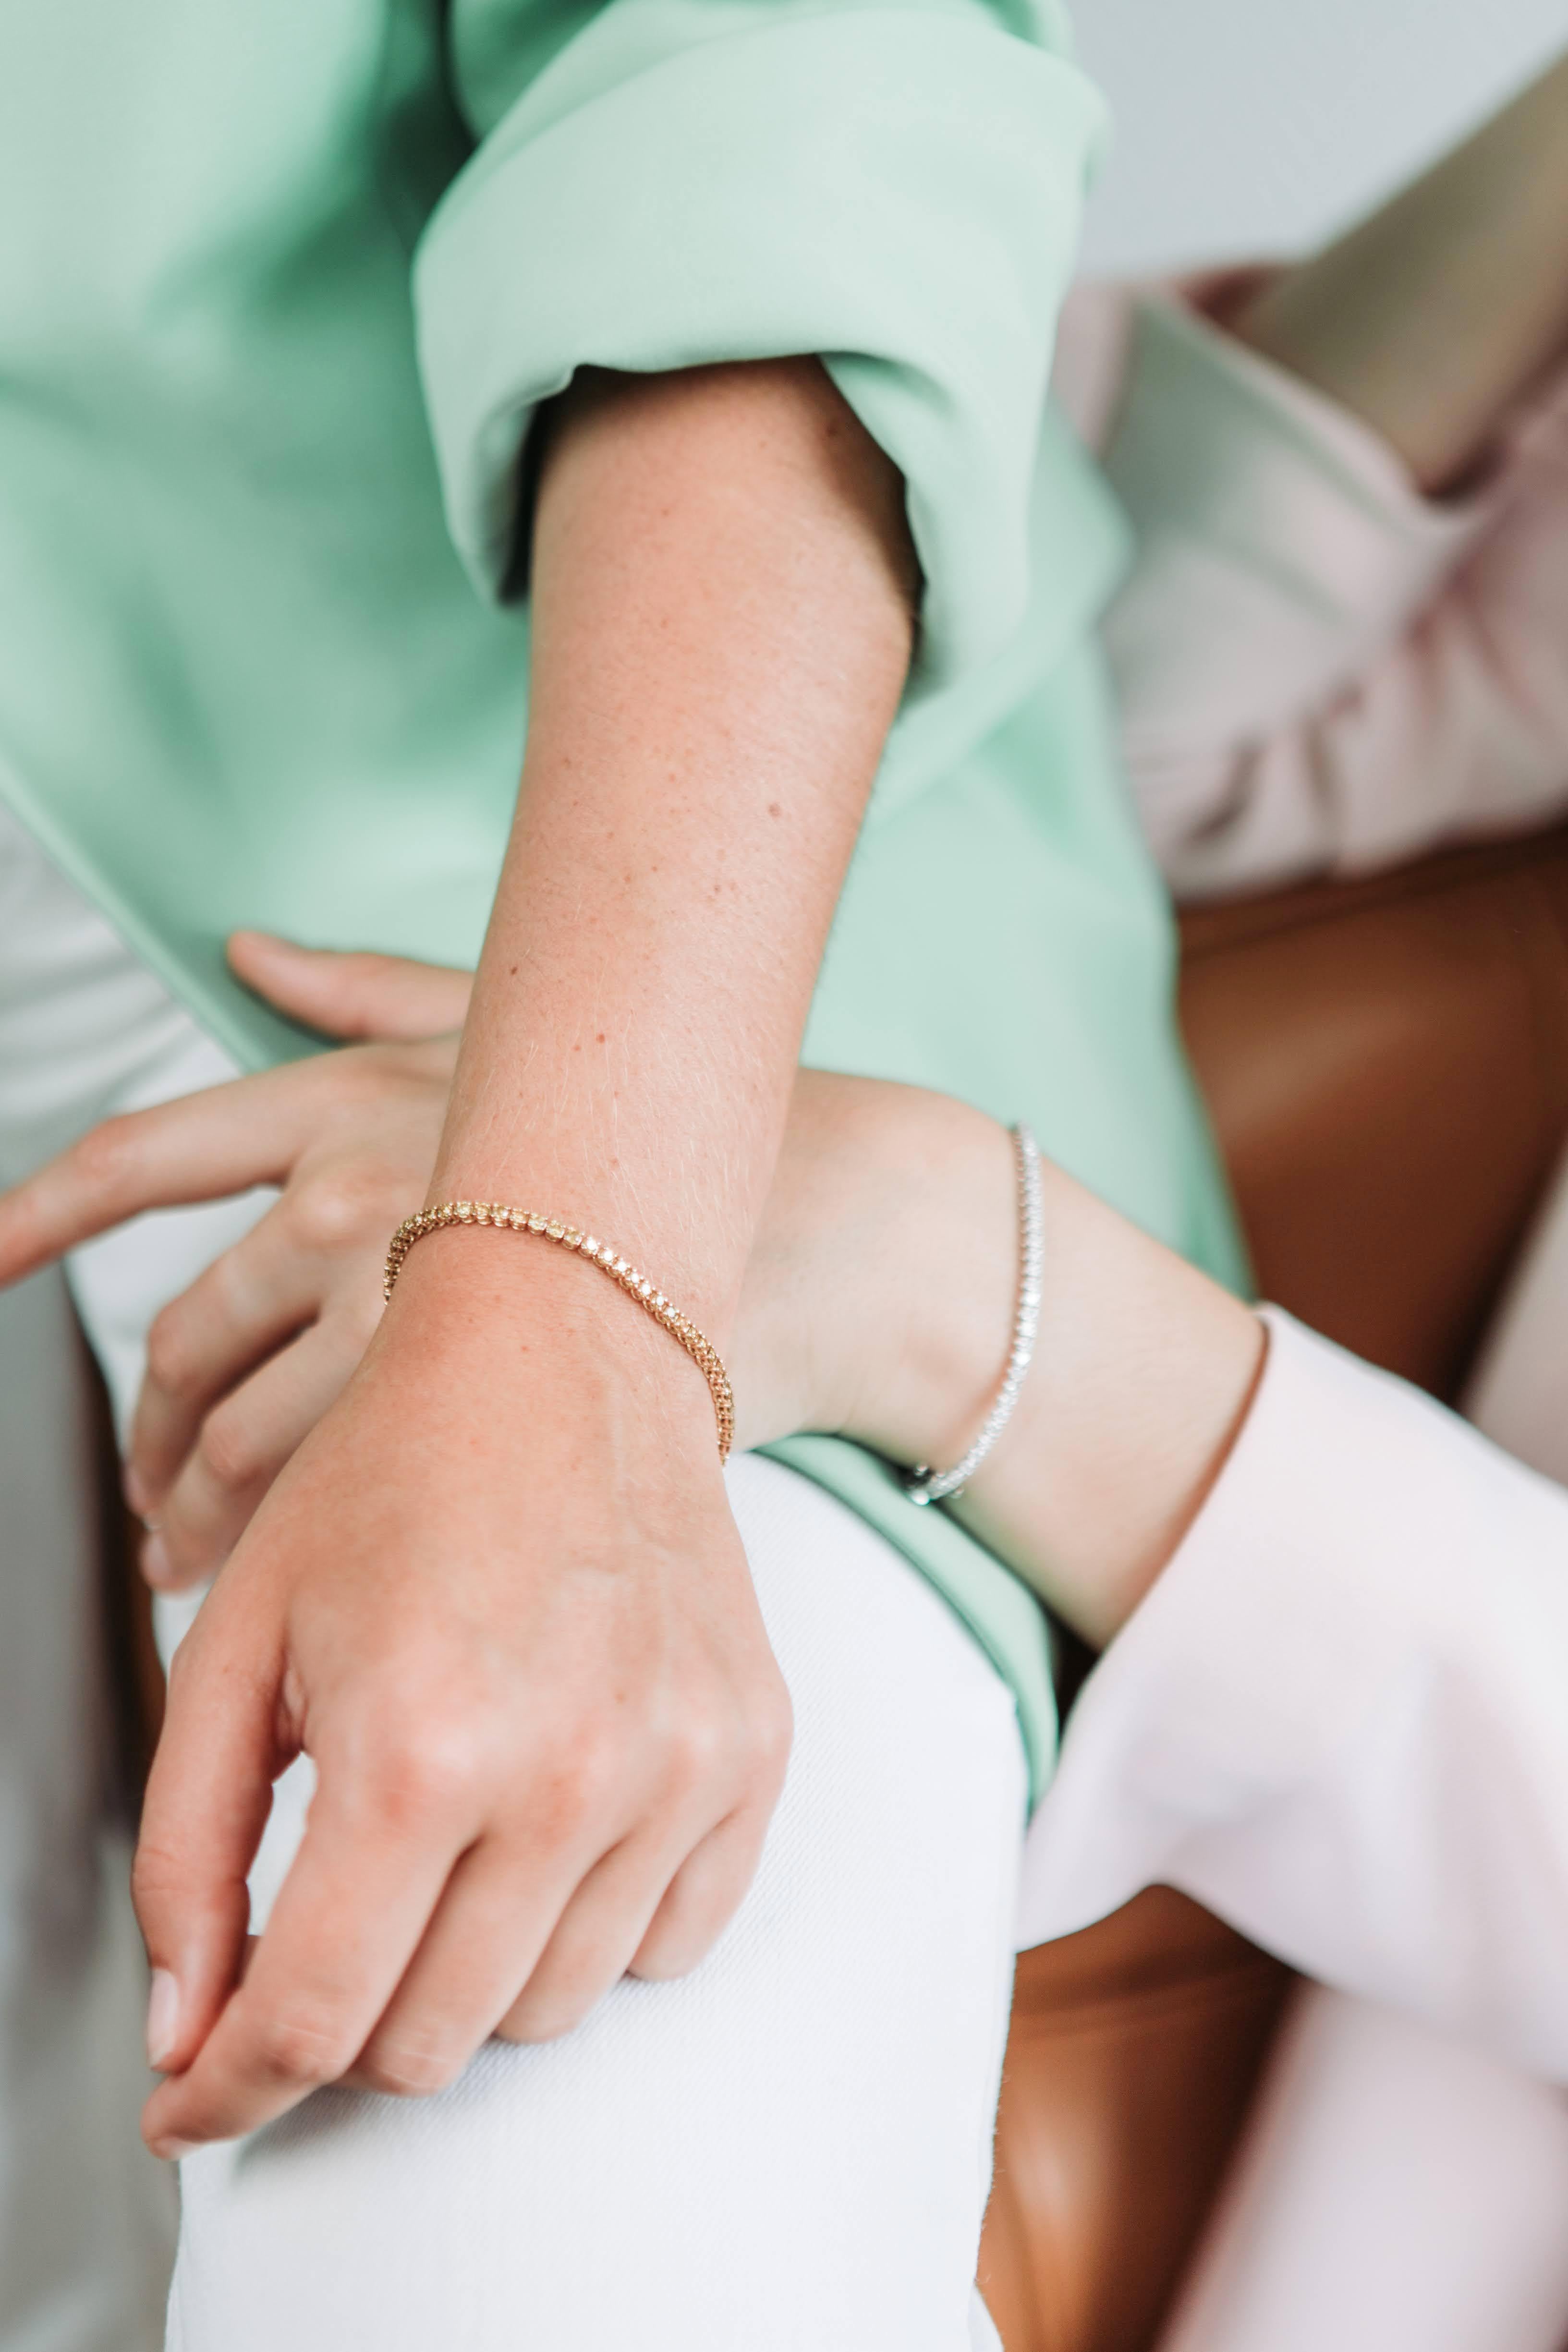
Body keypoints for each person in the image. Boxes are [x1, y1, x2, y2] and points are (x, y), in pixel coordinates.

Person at [3, 19, 1568, 2348]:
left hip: (744, 1217)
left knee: (527, 2164)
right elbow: (1157, 686)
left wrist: (969, 1294)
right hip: (459, 948)